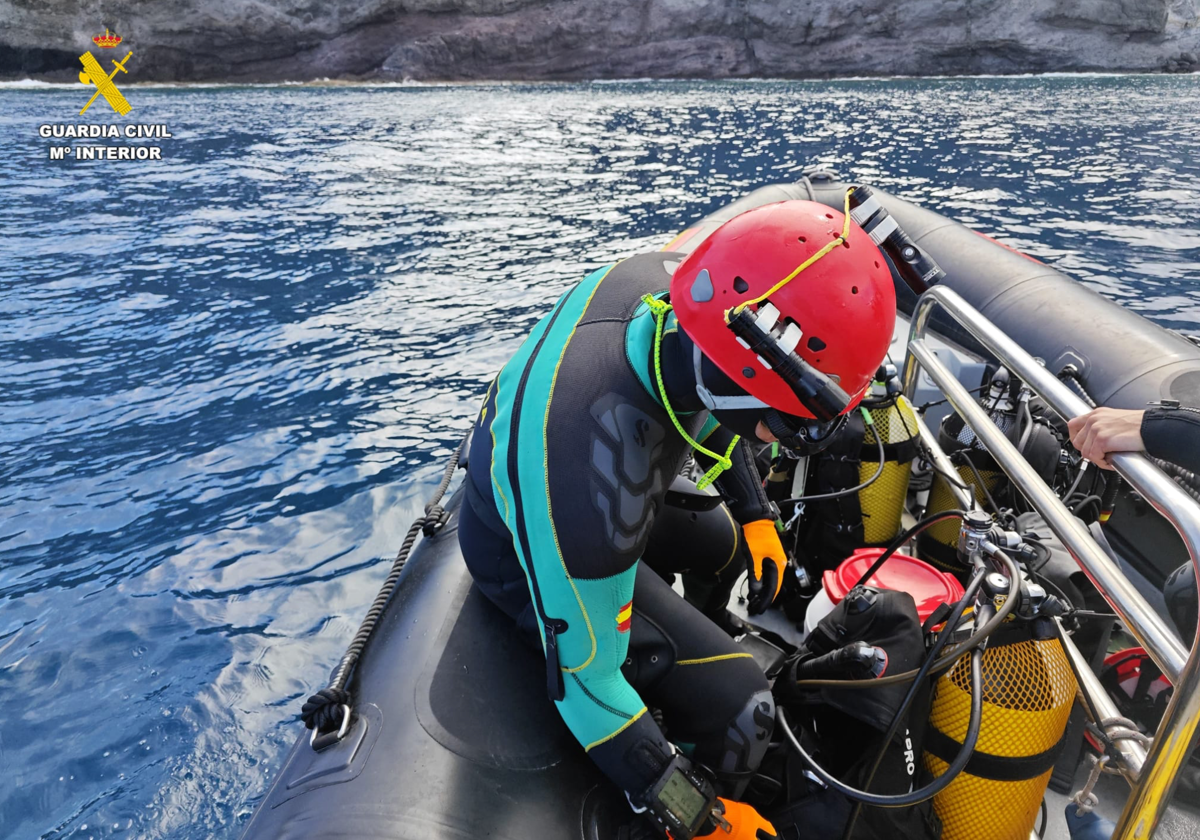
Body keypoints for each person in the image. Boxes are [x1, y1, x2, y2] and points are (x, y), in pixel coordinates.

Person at [457, 196, 896, 838]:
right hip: (522, 554)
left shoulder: (684, 306)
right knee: (745, 707)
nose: (781, 440)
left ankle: (689, 653)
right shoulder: (584, 492)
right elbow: (586, 683)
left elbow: (717, 401)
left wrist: (755, 515)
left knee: (726, 550)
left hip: (600, 482)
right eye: (791, 429)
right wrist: (698, 814)